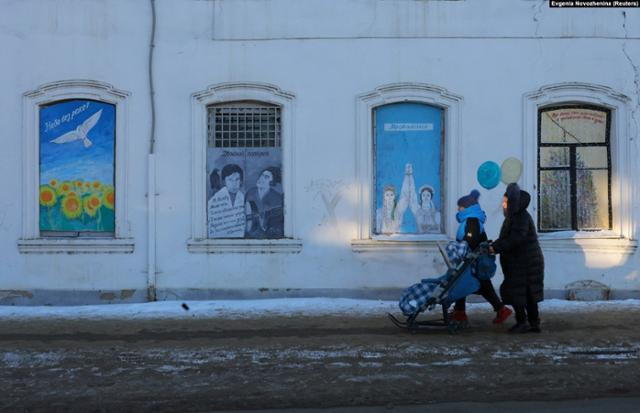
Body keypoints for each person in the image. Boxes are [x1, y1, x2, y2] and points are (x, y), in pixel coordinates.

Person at [450, 189, 512, 326]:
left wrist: (460, 249)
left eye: (460, 206)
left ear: (466, 207)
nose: (458, 209)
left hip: (474, 259)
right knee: (471, 284)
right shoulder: (471, 219)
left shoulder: (471, 220)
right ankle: (460, 312)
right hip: (473, 259)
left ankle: (500, 309)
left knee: (473, 284)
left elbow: (471, 241)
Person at [490, 183, 545, 333]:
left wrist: (496, 248)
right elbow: (508, 238)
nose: (503, 203)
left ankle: (523, 322)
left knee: (518, 292)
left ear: (512, 202)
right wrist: (494, 245)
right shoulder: (516, 216)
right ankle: (534, 323)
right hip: (524, 261)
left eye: (505, 200)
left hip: (524, 263)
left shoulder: (520, 217)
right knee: (527, 293)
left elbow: (515, 238)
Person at [207, 164, 246, 238]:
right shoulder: (214, 201)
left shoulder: (244, 199)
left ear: (241, 181)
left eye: (237, 179)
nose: (234, 184)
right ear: (224, 181)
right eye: (230, 180)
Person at [245, 166, 284, 238]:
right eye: (261, 175)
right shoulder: (251, 192)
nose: (261, 178)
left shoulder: (276, 198)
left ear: (272, 182)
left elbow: (274, 223)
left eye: (266, 177)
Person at [375, 163, 412, 234]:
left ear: (394, 196)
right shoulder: (379, 212)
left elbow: (405, 195)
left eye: (391, 195)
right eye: (387, 195)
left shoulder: (398, 210)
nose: (389, 197)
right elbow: (378, 230)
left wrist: (408, 176)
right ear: (384, 196)